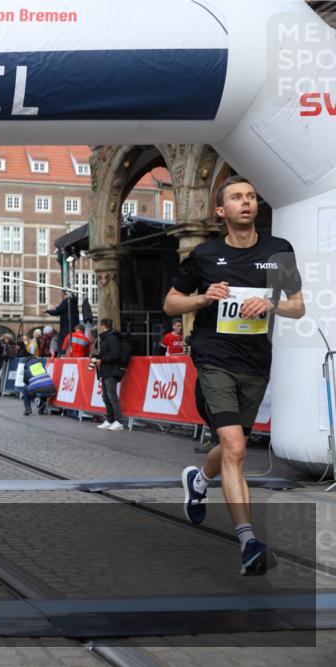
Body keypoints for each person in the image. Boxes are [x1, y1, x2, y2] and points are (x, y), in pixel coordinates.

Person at [165, 175, 304, 575]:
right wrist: (203, 297)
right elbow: (171, 304)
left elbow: (298, 306)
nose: (247, 202)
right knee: (237, 448)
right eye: (237, 198)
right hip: (213, 360)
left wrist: (271, 302)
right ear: (221, 211)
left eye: (251, 197)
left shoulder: (279, 251)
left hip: (256, 364)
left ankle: (198, 480)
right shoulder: (205, 255)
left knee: (232, 448)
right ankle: (248, 542)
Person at [91, 318, 126, 431]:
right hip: (105, 370)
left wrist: (102, 360)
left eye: (99, 326)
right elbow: (104, 354)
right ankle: (110, 420)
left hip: (112, 370)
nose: (98, 328)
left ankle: (119, 421)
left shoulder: (112, 338)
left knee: (112, 396)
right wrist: (96, 357)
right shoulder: (105, 338)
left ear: (103, 326)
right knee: (105, 396)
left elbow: (115, 355)